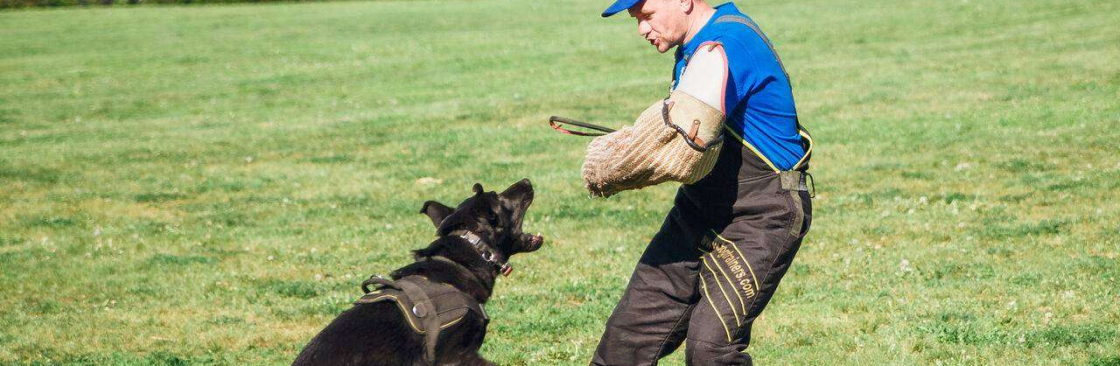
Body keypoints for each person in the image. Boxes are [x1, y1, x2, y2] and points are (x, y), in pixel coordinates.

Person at [580, 0, 815, 365]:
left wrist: (613, 167)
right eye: (635, 20)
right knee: (626, 339)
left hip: (762, 214)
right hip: (700, 208)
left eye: (646, 16)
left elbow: (683, 147)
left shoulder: (723, 45)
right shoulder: (694, 47)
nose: (641, 29)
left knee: (710, 349)